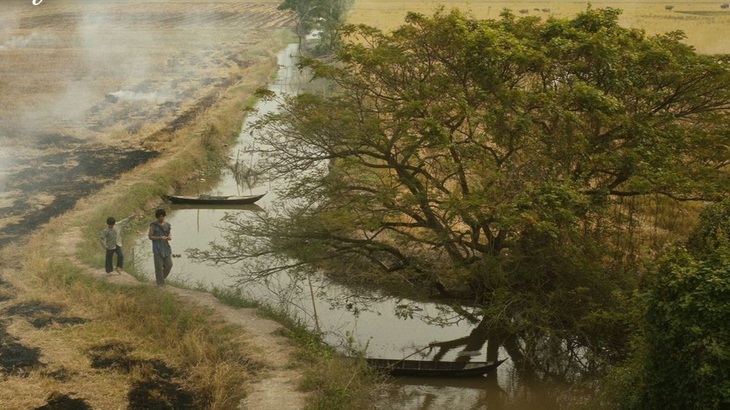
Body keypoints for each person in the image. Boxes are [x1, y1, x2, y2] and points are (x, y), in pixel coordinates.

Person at [148, 208, 172, 286]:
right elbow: (150, 237)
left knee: (169, 265)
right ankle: (160, 283)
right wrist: (160, 237)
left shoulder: (167, 225)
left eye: (163, 216)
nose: (161, 218)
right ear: (157, 217)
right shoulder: (153, 225)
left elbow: (169, 234)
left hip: (166, 248)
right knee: (158, 267)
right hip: (157, 248)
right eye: (160, 217)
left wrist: (169, 237)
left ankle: (161, 279)